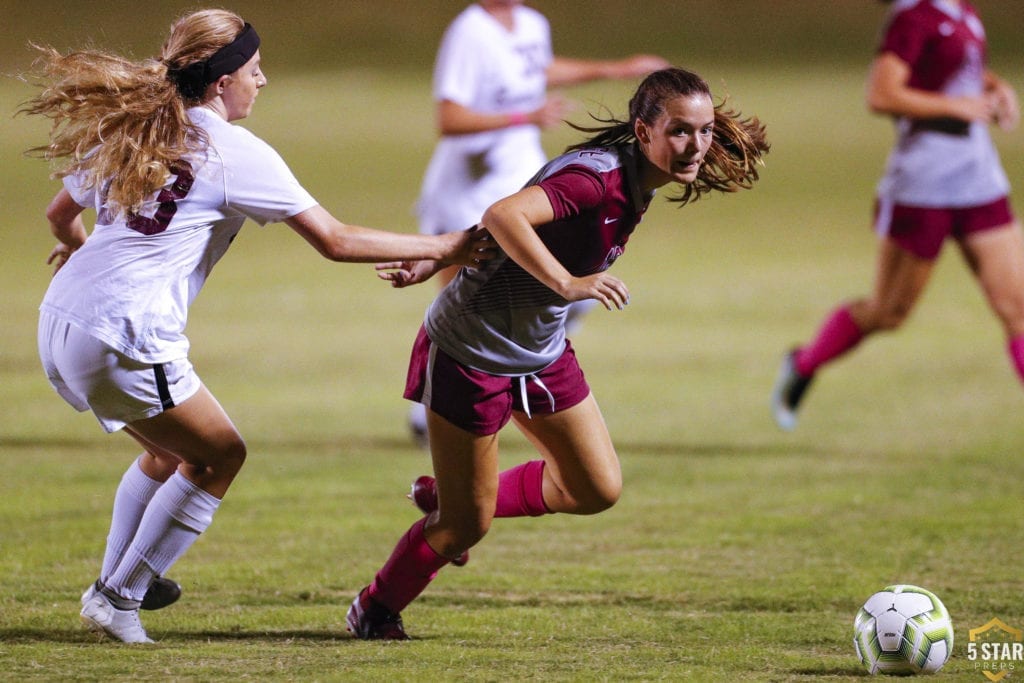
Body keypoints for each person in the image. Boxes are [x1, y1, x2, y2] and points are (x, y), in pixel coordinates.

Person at [23, 9, 492, 644]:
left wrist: (86, 258)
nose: (262, 81)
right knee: (221, 454)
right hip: (123, 334)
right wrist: (449, 245)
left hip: (60, 322)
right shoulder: (232, 151)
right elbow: (335, 238)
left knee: (168, 453)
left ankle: (121, 582)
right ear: (220, 83)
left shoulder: (138, 128)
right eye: (253, 69)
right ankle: (119, 594)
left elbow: (58, 214)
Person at [347, 67, 770, 639]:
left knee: (595, 488)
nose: (694, 146)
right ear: (643, 131)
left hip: (540, 351)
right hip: (470, 351)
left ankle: (445, 495)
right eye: (678, 131)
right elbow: (505, 213)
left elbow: (522, 216)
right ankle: (375, 607)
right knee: (462, 528)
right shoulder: (598, 180)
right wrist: (567, 284)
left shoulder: (637, 177)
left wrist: (450, 250)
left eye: (704, 131)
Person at [408, 0, 670, 444]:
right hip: (467, 191)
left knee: (577, 292)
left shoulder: (531, 23)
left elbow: (535, 69)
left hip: (519, 177)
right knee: (463, 309)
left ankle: (518, 378)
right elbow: (448, 118)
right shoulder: (469, 31)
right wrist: (523, 116)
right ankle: (429, 416)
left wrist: (614, 69)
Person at [771, 0, 1022, 431]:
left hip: (980, 181)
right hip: (924, 186)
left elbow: (955, 70)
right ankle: (803, 362)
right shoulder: (914, 17)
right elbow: (882, 93)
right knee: (889, 312)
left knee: (1017, 308)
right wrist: (954, 107)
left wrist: (996, 89)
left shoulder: (960, 8)